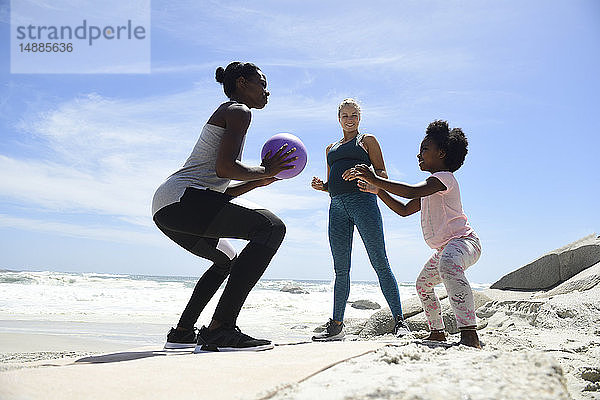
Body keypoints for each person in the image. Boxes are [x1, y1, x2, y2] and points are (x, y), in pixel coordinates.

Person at [152, 62, 297, 352]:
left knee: (224, 261)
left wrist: (256, 182)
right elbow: (225, 168)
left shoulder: (230, 112)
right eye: (262, 82)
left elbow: (217, 189)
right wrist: (265, 170)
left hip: (168, 206)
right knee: (271, 228)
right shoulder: (238, 111)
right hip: (184, 199)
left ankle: (181, 333)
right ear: (242, 83)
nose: (267, 91)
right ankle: (221, 328)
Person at [343, 120, 482, 348]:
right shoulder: (431, 187)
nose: (418, 154)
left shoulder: (444, 179)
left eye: (424, 150)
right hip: (446, 248)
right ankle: (437, 331)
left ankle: (469, 332)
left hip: (465, 242)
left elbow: (410, 191)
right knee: (423, 284)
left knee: (448, 265)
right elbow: (405, 209)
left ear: (442, 153)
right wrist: (378, 191)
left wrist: (376, 179)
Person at [310, 98, 410, 341]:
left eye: (353, 115)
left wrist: (366, 177)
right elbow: (331, 182)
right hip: (336, 208)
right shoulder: (330, 148)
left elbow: (383, 174)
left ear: (359, 118)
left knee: (380, 262)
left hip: (363, 203)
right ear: (338, 118)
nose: (349, 119)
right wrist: (322, 186)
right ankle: (336, 325)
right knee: (340, 269)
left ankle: (400, 323)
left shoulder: (367, 141)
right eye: (345, 115)